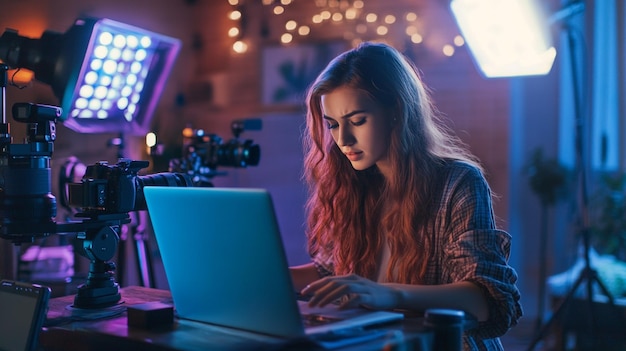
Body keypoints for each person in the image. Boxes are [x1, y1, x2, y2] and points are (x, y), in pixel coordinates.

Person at [289, 41, 522, 350]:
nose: (343, 139)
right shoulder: (353, 185)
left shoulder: (457, 181)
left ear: (397, 111)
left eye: (358, 121)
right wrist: (268, 273)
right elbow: (331, 272)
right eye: (332, 125)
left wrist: (391, 293)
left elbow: (485, 300)